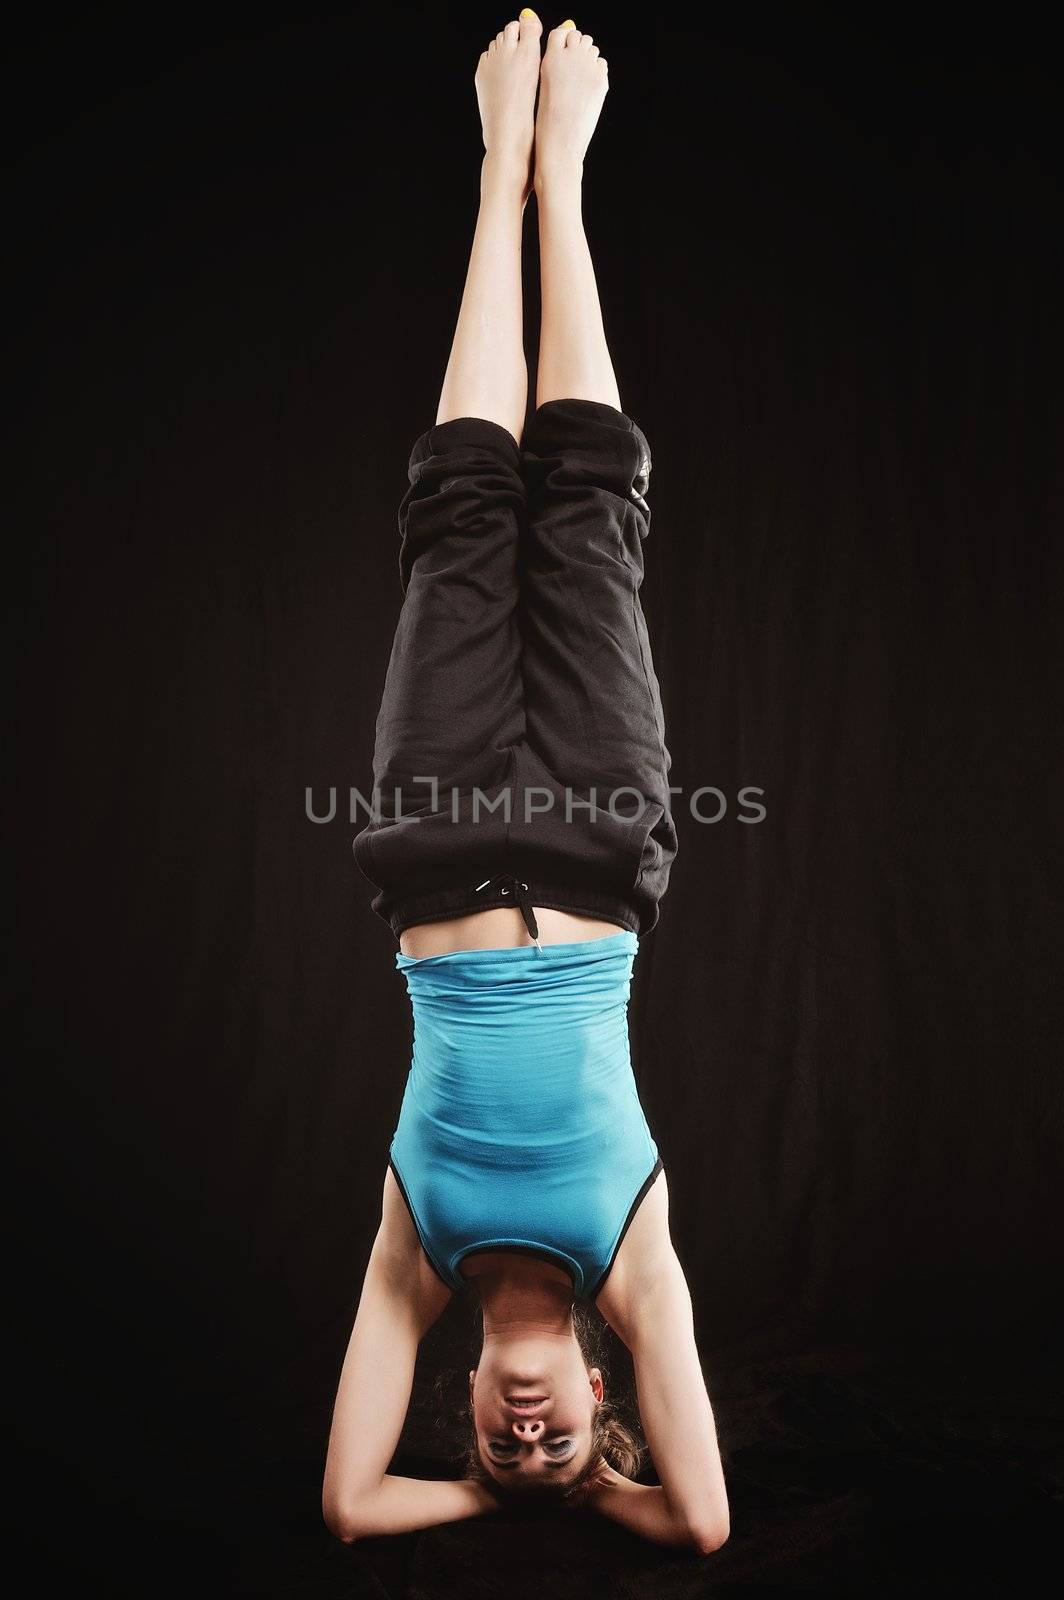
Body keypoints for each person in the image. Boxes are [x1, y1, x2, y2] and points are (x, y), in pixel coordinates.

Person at [323, 13, 729, 1553]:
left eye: (512, 1452)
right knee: (591, 523)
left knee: (460, 513)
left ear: (474, 1421)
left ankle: (496, 174)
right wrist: (595, 1491)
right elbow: (701, 1528)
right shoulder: (635, 1264)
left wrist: (499, 1498)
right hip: (603, 837)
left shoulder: (410, 1265)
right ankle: (564, 175)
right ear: (613, 1396)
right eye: (572, 1453)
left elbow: (353, 1504)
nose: (537, 1439)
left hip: (432, 848)